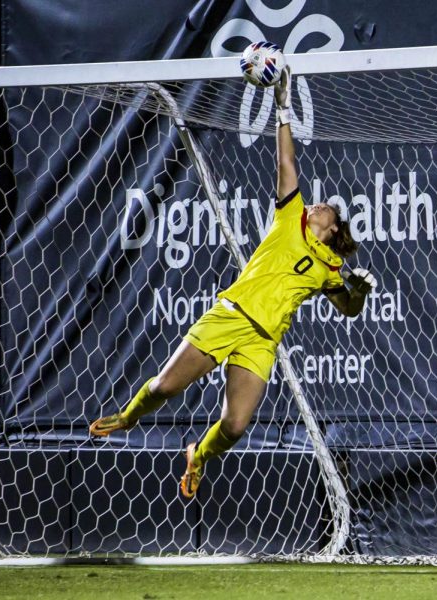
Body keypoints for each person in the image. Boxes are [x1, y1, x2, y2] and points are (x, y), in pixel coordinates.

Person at [90, 67, 375, 499]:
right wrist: (282, 107)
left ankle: (198, 456)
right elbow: (286, 162)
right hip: (232, 315)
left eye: (324, 210)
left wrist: (362, 291)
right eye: (316, 204)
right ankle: (127, 417)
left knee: (236, 424)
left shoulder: (330, 270)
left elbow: (348, 310)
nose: (316, 205)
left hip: (262, 341)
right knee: (166, 387)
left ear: (333, 230)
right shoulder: (289, 221)